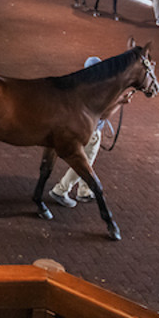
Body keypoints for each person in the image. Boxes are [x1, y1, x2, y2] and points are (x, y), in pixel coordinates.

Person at [49, 56, 106, 207]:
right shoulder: (98, 88)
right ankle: (61, 190)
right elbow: (104, 112)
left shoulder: (79, 84)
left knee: (86, 160)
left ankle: (84, 190)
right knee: (85, 162)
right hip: (91, 131)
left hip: (78, 128)